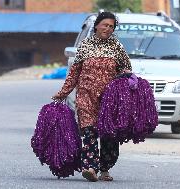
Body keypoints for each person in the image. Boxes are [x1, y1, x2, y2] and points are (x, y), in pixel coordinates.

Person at [52, 11, 132, 182]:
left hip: (109, 100)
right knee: (89, 132)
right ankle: (90, 168)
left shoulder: (116, 47)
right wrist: (63, 93)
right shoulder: (85, 46)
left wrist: (126, 77)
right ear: (96, 26)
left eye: (111, 27)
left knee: (109, 135)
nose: (108, 29)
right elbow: (74, 74)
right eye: (105, 25)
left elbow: (127, 71)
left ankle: (105, 168)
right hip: (86, 97)